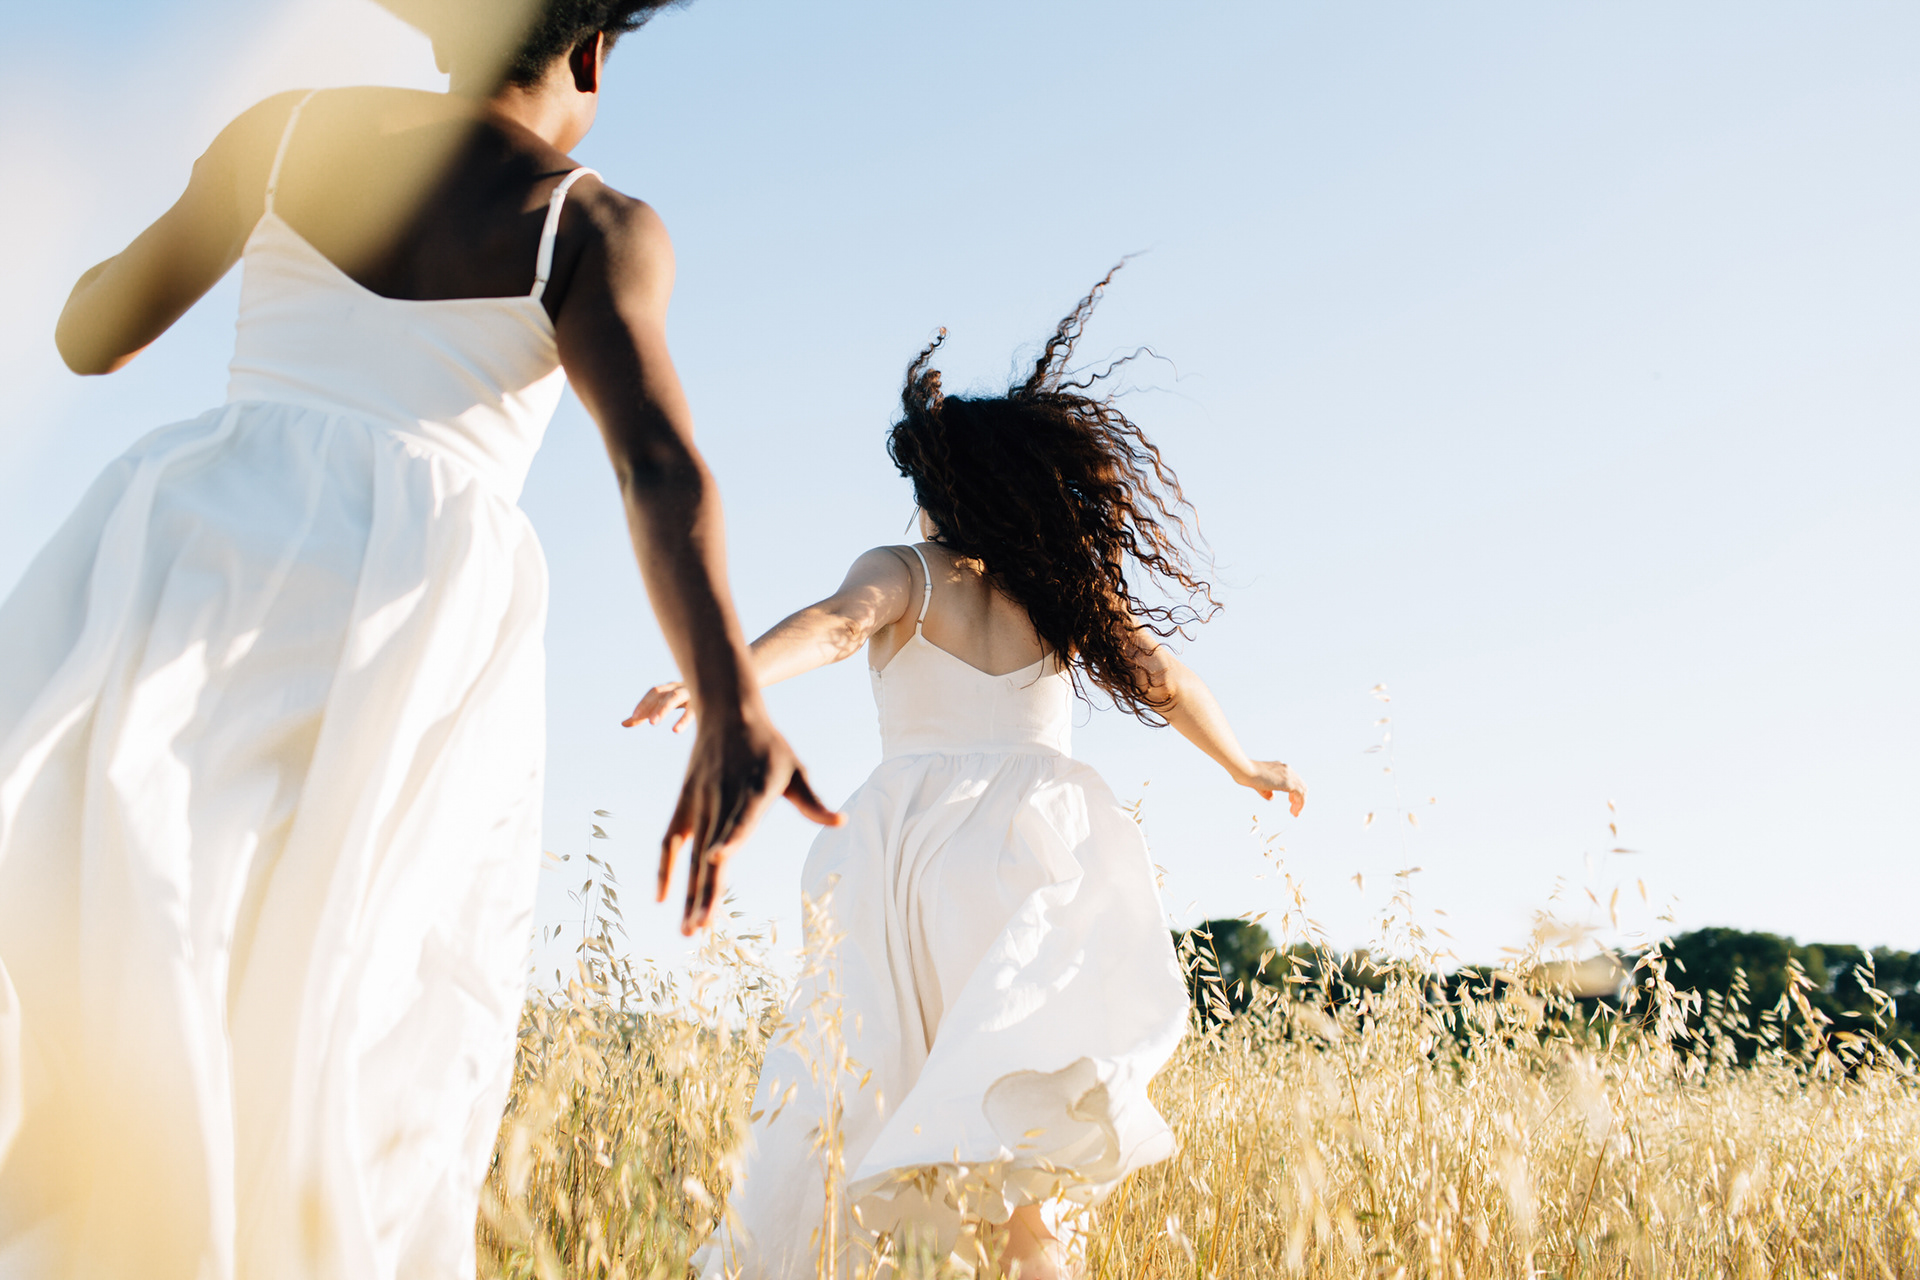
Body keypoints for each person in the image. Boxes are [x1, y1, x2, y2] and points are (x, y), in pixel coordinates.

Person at [0, 3, 838, 1276]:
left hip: (186, 568)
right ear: (591, 51)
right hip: (401, 642)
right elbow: (657, 466)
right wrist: (731, 699)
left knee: (115, 950)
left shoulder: (285, 135)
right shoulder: (590, 225)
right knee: (338, 1031)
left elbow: (89, 333)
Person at [628, 270, 1307, 1279]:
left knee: (865, 1087)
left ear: (940, 491)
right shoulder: (1059, 590)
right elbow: (1165, 679)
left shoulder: (907, 569)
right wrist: (1244, 764)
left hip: (914, 848)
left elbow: (837, 626)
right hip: (1045, 844)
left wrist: (719, 674)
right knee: (1024, 1145)